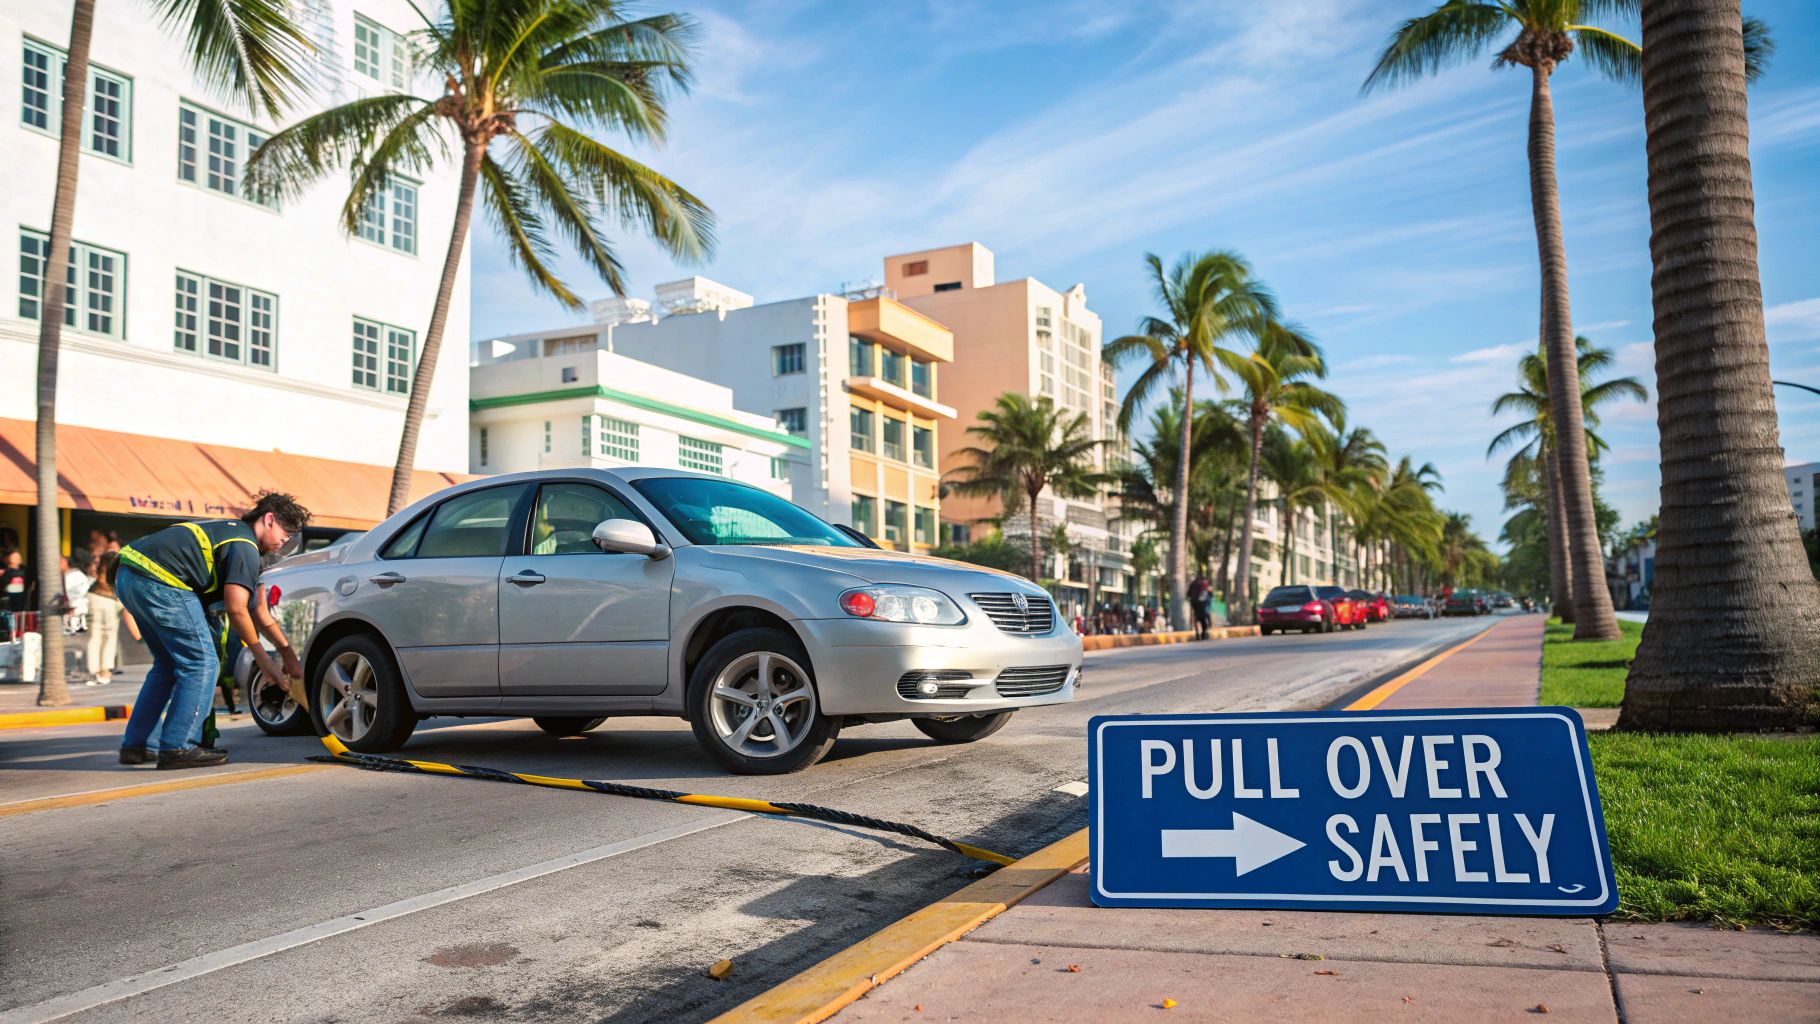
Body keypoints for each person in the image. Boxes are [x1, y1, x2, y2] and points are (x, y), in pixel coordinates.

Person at [115, 492, 309, 770]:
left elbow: (260, 613)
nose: (285, 541)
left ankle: (137, 744)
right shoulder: (244, 545)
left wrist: (288, 656)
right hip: (162, 581)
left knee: (167, 666)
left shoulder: (232, 536)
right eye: (286, 532)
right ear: (269, 519)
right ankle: (179, 746)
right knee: (202, 663)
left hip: (129, 576)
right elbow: (237, 607)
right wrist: (264, 660)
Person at [87, 551, 126, 685]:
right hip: (108, 600)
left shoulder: (98, 573)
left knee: (94, 636)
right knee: (109, 635)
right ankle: (104, 670)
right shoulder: (112, 570)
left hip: (94, 596)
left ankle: (94, 670)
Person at [1188, 573, 1213, 639]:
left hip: (1195, 604)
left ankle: (1198, 633)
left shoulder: (1193, 584)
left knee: (1196, 618)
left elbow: (1188, 594)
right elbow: (1210, 594)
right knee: (1205, 616)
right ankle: (1205, 629)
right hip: (1203, 604)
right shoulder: (1205, 583)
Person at [1, 550, 27, 614]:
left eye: (18, 558)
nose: (17, 559)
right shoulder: (6, 571)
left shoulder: (22, 571)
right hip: (8, 598)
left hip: (20, 598)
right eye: (14, 557)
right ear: (6, 559)